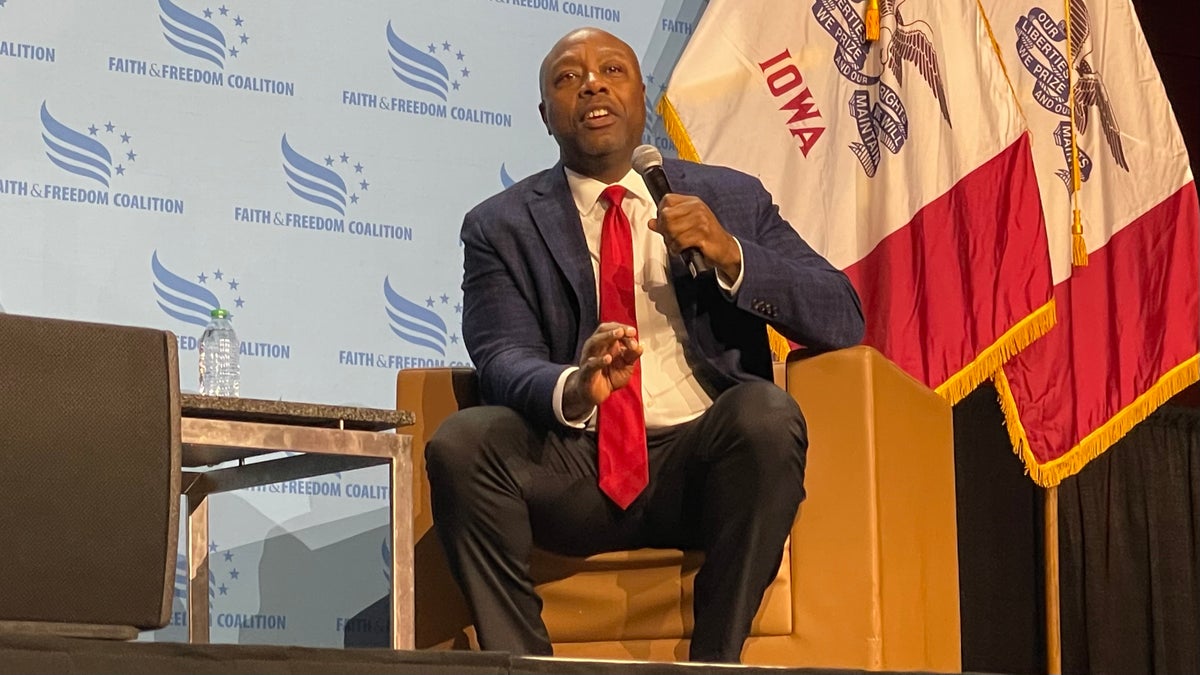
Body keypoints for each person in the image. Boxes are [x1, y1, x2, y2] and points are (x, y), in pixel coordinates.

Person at [425, 26, 865, 663]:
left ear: (642, 98)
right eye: (567, 78)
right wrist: (574, 385)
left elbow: (842, 313)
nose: (593, 83)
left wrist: (731, 252)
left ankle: (715, 662)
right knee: (463, 442)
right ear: (545, 115)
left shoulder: (730, 198)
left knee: (767, 416)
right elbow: (501, 355)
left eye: (612, 70)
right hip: (575, 462)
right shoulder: (499, 225)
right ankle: (526, 665)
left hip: (703, 465)